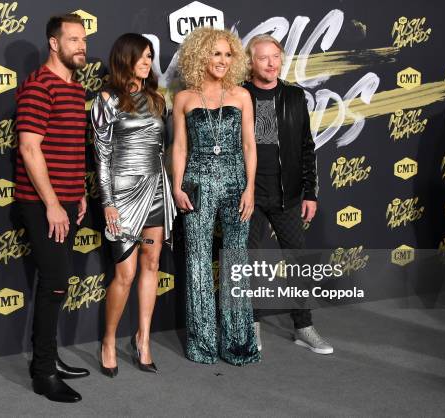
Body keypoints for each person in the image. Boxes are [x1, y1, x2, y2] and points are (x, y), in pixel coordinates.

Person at [172, 27, 260, 366]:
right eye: (215, 53)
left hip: (237, 181)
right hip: (197, 182)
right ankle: (203, 344)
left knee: (235, 262)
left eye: (227, 54)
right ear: (199, 56)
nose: (222, 60)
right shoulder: (184, 98)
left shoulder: (240, 95)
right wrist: (178, 186)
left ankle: (238, 343)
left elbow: (249, 144)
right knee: (197, 261)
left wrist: (250, 187)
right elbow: (180, 147)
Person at [14, 13, 90, 403]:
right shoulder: (38, 86)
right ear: (54, 44)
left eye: (84, 40)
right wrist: (53, 204)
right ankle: (43, 373)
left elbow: (71, 148)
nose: (81, 46)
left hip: (65, 201)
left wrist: (76, 193)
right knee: (55, 284)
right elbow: (30, 148)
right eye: (73, 40)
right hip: (42, 204)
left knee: (56, 286)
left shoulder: (76, 89)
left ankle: (50, 358)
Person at [91, 33, 176, 377]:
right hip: (123, 197)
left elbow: (162, 149)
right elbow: (101, 155)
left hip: (156, 190)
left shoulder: (157, 100)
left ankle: (143, 339)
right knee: (124, 274)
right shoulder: (107, 98)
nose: (147, 61)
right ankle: (109, 340)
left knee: (152, 263)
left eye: (150, 56)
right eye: (142, 56)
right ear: (124, 57)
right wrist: (108, 203)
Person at [244, 34, 333, 355]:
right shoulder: (239, 95)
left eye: (276, 57)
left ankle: (303, 326)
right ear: (251, 62)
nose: (271, 63)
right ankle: (249, 324)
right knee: (247, 265)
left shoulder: (294, 97)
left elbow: (307, 149)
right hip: (249, 196)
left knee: (297, 263)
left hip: (288, 197)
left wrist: (311, 192)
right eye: (263, 58)